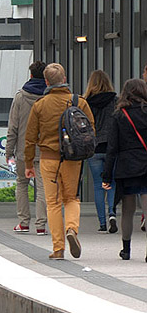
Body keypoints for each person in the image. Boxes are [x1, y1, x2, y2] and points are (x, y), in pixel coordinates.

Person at [24, 63, 94, 259]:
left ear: (46, 82)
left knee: (53, 203)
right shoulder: (79, 103)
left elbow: (30, 138)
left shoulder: (40, 105)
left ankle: (58, 249)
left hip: (48, 159)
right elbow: (91, 131)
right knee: (71, 198)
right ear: (64, 79)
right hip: (72, 159)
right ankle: (72, 229)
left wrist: (29, 164)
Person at [102, 79, 147, 260]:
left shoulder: (119, 115)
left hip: (127, 167)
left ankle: (126, 249)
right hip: (146, 164)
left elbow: (112, 149)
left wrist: (107, 175)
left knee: (128, 210)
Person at [6, 60, 48, 234]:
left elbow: (13, 127)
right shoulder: (50, 97)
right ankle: (41, 225)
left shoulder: (20, 97)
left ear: (30, 75)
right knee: (43, 187)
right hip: (45, 150)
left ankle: (23, 223)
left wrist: (9, 152)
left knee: (22, 183)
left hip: (24, 150)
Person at [84, 70, 118, 233]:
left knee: (98, 185)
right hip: (112, 147)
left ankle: (102, 223)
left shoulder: (86, 102)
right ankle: (112, 213)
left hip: (94, 148)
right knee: (111, 182)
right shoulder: (115, 100)